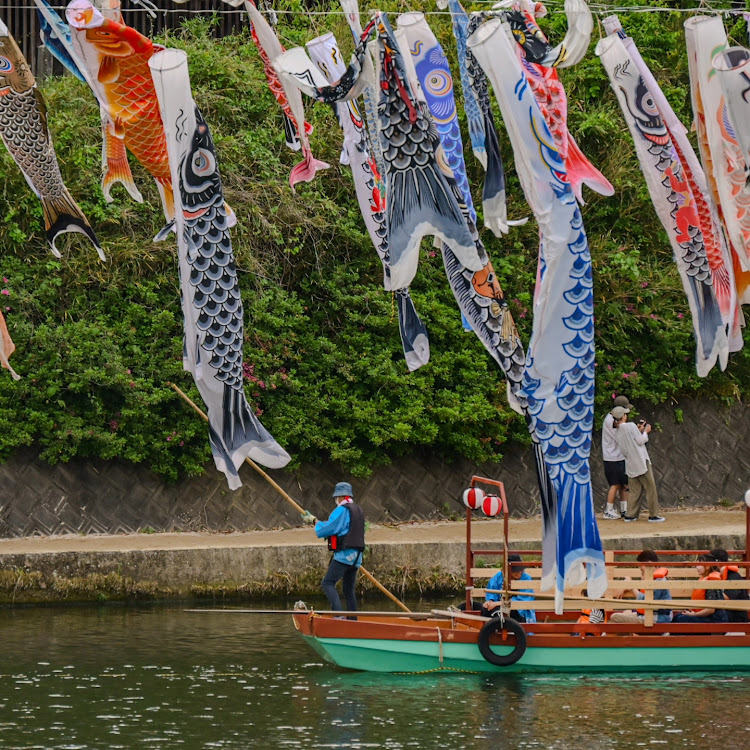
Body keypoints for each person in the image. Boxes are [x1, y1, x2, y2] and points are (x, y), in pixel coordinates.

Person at [308, 482, 366, 613]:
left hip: (344, 555)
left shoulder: (342, 510)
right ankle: (353, 619)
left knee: (327, 583)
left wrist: (314, 521)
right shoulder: (358, 510)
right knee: (348, 590)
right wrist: (316, 521)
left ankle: (338, 616)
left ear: (340, 497)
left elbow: (328, 529)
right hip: (357, 557)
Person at [611, 406, 664, 522]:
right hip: (641, 460)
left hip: (630, 463)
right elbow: (640, 441)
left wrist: (638, 431)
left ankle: (631, 515)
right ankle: (653, 515)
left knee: (635, 490)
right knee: (650, 488)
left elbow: (629, 442)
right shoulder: (630, 426)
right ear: (623, 416)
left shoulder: (617, 432)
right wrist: (645, 432)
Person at [609, 549, 672, 624]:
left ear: (650, 565)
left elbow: (645, 602)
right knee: (621, 615)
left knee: (615, 618)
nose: (642, 576)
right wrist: (627, 584)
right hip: (649, 616)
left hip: (658, 619)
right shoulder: (655, 580)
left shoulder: (659, 581)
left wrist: (632, 587)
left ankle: (605, 634)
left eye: (642, 572)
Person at [672, 553, 728, 625]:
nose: (696, 567)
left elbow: (710, 610)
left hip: (714, 619)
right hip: (705, 616)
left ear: (707, 566)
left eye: (699, 564)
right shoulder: (703, 579)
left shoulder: (711, 581)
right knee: (677, 616)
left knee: (681, 619)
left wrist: (694, 615)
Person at [482, 554, 537, 623]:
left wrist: (497, 603)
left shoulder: (526, 578)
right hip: (500, 606)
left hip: (519, 611)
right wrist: (490, 601)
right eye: (515, 571)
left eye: (520, 570)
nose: (519, 573)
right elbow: (492, 591)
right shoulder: (499, 576)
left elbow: (523, 601)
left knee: (504, 612)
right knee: (485, 609)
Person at [601, 395, 631, 519]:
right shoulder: (611, 421)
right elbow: (620, 436)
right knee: (615, 484)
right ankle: (608, 510)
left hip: (619, 457)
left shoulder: (614, 419)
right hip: (612, 458)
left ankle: (624, 510)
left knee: (624, 484)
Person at [710, 548, 749, 624]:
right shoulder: (714, 574)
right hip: (721, 611)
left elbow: (727, 597)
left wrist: (711, 590)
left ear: (717, 562)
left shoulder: (733, 576)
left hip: (735, 615)